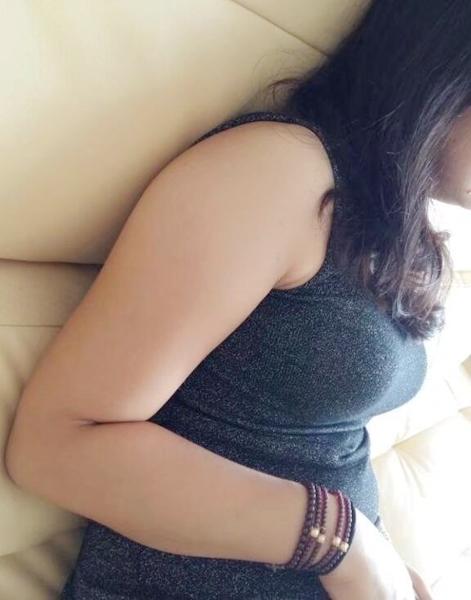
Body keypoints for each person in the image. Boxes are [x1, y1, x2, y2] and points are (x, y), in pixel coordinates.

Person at [4, 0, 470, 598]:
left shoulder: (391, 228)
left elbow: (322, 445)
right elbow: (53, 446)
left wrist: (391, 571)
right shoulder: (281, 173)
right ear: (442, 66)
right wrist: (341, 540)